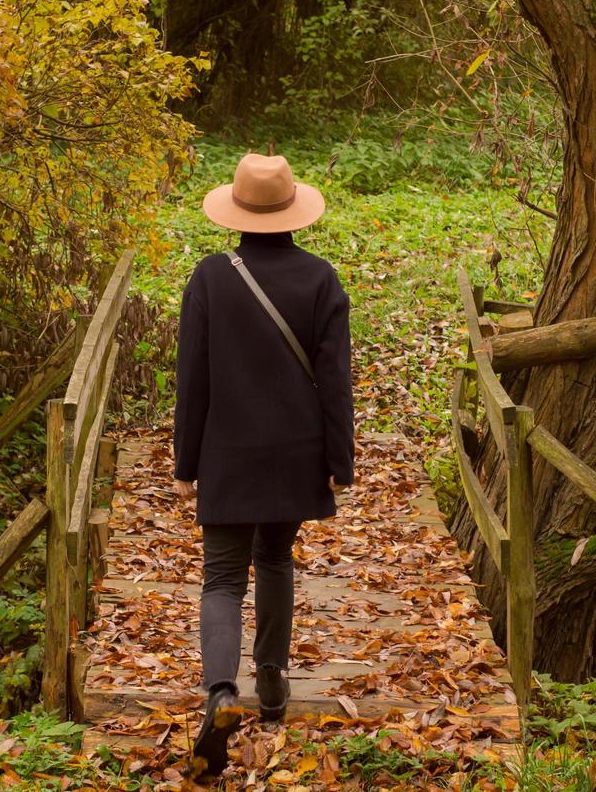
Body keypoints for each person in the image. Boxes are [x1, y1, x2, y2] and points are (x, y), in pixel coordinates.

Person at [173, 152, 355, 779]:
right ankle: (273, 681)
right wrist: (341, 460)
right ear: (293, 212)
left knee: (222, 577)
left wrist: (185, 459)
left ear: (236, 213)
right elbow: (335, 381)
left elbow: (191, 379)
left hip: (229, 451)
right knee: (275, 557)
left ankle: (221, 691)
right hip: (295, 452)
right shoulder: (321, 279)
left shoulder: (209, 277)